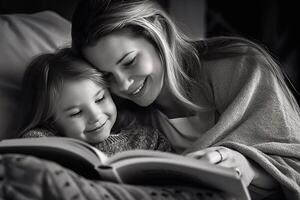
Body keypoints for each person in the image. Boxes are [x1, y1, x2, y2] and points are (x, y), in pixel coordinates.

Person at [71, 0, 300, 199]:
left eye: (129, 62)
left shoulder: (241, 65)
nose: (123, 84)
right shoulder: (116, 115)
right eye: (108, 76)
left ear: (157, 31)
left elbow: (294, 165)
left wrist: (245, 166)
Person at [16, 47, 172, 156]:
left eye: (100, 99)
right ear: (52, 122)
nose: (95, 116)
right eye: (76, 113)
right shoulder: (51, 143)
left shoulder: (146, 138)